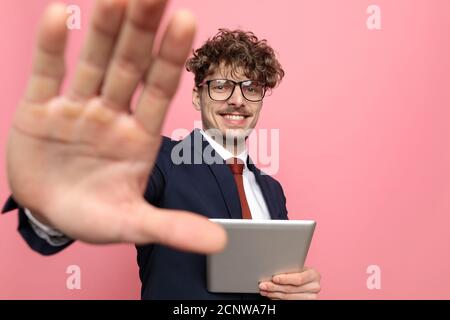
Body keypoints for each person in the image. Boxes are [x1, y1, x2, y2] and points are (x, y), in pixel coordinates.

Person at [2, 0, 321, 299]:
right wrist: (58, 199)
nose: (237, 99)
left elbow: (274, 284)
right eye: (221, 85)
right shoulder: (161, 161)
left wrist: (296, 288)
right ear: (198, 96)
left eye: (251, 88)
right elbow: (96, 196)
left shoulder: (272, 191)